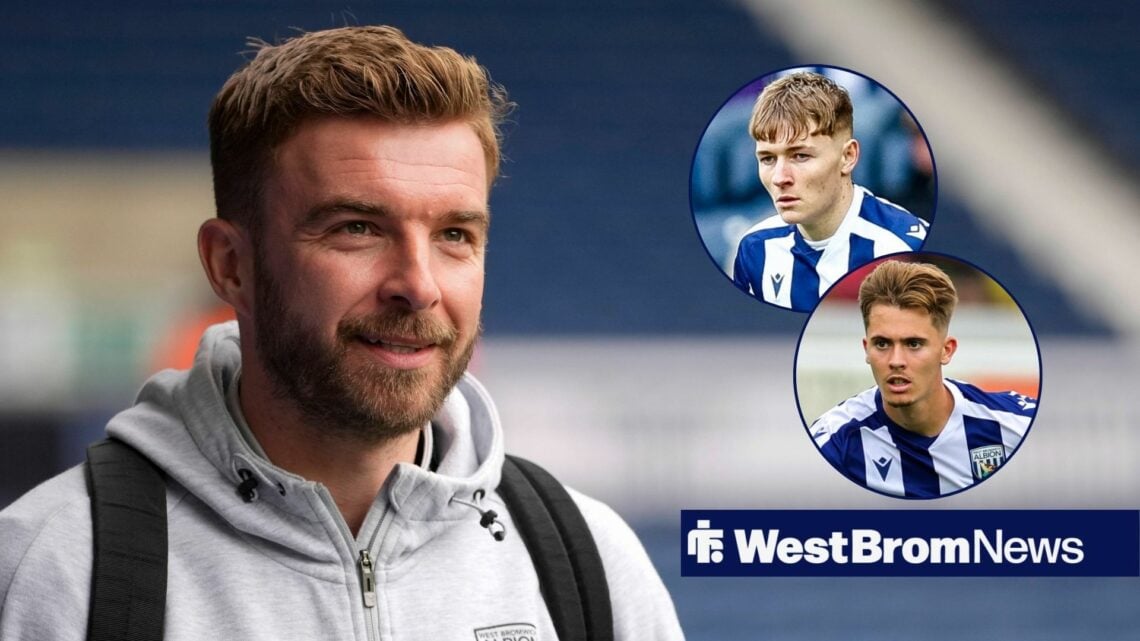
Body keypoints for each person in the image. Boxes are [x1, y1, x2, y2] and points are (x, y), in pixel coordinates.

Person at [0, 26, 683, 639]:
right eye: (357, 228)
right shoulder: (54, 567)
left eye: (454, 234)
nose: (418, 283)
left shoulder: (589, 564)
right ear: (231, 265)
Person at [809, 260, 1037, 498]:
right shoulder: (835, 441)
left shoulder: (1015, 424)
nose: (896, 360)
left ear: (946, 350)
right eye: (882, 344)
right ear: (867, 350)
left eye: (914, 344)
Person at [732, 71, 929, 312]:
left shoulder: (903, 242)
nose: (780, 178)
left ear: (848, 157)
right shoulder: (754, 248)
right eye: (768, 159)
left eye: (801, 156)